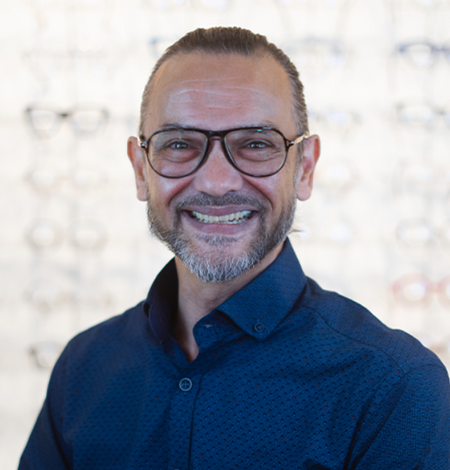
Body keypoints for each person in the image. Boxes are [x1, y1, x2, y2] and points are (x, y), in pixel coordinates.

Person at [19, 27, 450, 470]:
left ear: (304, 168)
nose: (216, 182)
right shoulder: (83, 368)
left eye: (256, 144)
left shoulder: (393, 390)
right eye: (180, 144)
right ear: (140, 170)